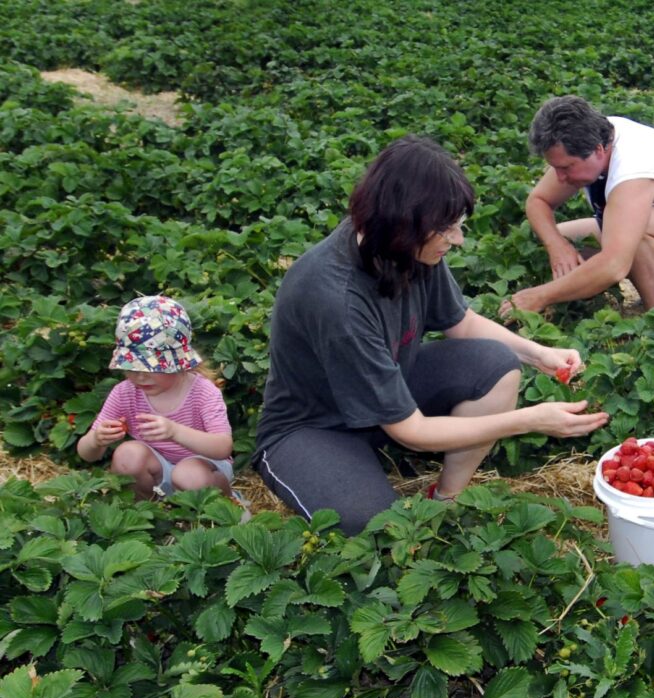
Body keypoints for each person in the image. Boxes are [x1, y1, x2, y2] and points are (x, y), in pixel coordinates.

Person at [252, 134, 608, 536]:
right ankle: (335, 469)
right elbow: (413, 432)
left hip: (389, 388)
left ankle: (446, 500)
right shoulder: (337, 299)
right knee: (376, 527)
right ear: (405, 221)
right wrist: (527, 420)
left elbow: (462, 324)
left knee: (495, 365)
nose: (456, 239)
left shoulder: (406, 245)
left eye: (458, 225)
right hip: (314, 426)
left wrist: (538, 353)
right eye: (447, 229)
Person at [506, 95, 654, 313]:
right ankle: (578, 305)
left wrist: (541, 296)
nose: (558, 177)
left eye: (566, 167)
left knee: (632, 231)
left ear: (598, 150)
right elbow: (538, 200)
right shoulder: (594, 135)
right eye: (555, 167)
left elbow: (614, 265)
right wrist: (556, 246)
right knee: (559, 236)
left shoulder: (632, 171)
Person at [77, 295, 236, 501]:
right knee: (127, 455)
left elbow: (222, 448)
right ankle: (147, 511)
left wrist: (175, 431)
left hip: (205, 468)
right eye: (132, 368)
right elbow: (87, 454)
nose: (140, 376)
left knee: (188, 474)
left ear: (179, 363)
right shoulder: (125, 393)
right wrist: (96, 440)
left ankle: (223, 506)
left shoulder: (203, 392)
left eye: (152, 368)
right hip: (158, 469)